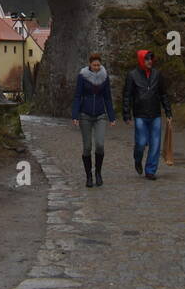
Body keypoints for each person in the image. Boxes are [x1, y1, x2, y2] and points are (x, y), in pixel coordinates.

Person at [122, 49, 172, 179]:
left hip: (155, 114)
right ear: (141, 60)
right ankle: (137, 159)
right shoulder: (132, 75)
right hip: (140, 114)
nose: (150, 61)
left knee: (155, 144)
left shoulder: (157, 74)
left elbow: (163, 94)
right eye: (147, 59)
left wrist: (168, 112)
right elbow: (127, 96)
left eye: (151, 58)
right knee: (141, 142)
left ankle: (150, 170)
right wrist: (126, 114)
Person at [72, 51, 116, 187]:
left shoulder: (104, 77)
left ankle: (98, 173)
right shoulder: (83, 76)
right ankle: (89, 176)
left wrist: (111, 116)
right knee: (87, 147)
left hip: (100, 115)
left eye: (98, 65)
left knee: (100, 144)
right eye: (94, 65)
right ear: (90, 64)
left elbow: (108, 97)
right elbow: (77, 96)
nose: (96, 67)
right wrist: (75, 115)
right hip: (85, 115)